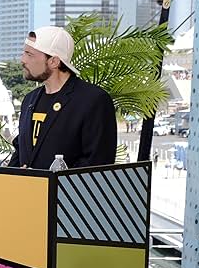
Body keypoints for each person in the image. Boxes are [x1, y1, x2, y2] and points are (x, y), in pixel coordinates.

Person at [8, 26, 117, 169]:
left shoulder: (93, 100)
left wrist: (53, 183)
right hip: (29, 190)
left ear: (54, 61)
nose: (23, 60)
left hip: (68, 191)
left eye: (30, 54)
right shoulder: (30, 99)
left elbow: (98, 161)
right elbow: (21, 152)